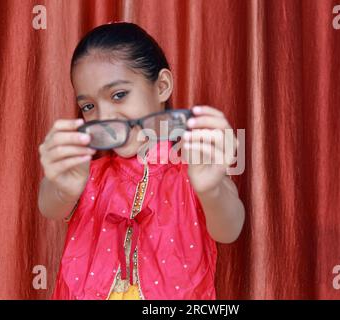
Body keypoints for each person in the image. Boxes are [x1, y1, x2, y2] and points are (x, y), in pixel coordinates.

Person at [37, 22, 245, 300]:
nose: (104, 116)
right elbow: (49, 205)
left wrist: (212, 189)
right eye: (89, 106)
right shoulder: (90, 174)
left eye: (119, 95)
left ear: (161, 86)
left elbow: (229, 229)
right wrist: (61, 188)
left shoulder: (194, 167)